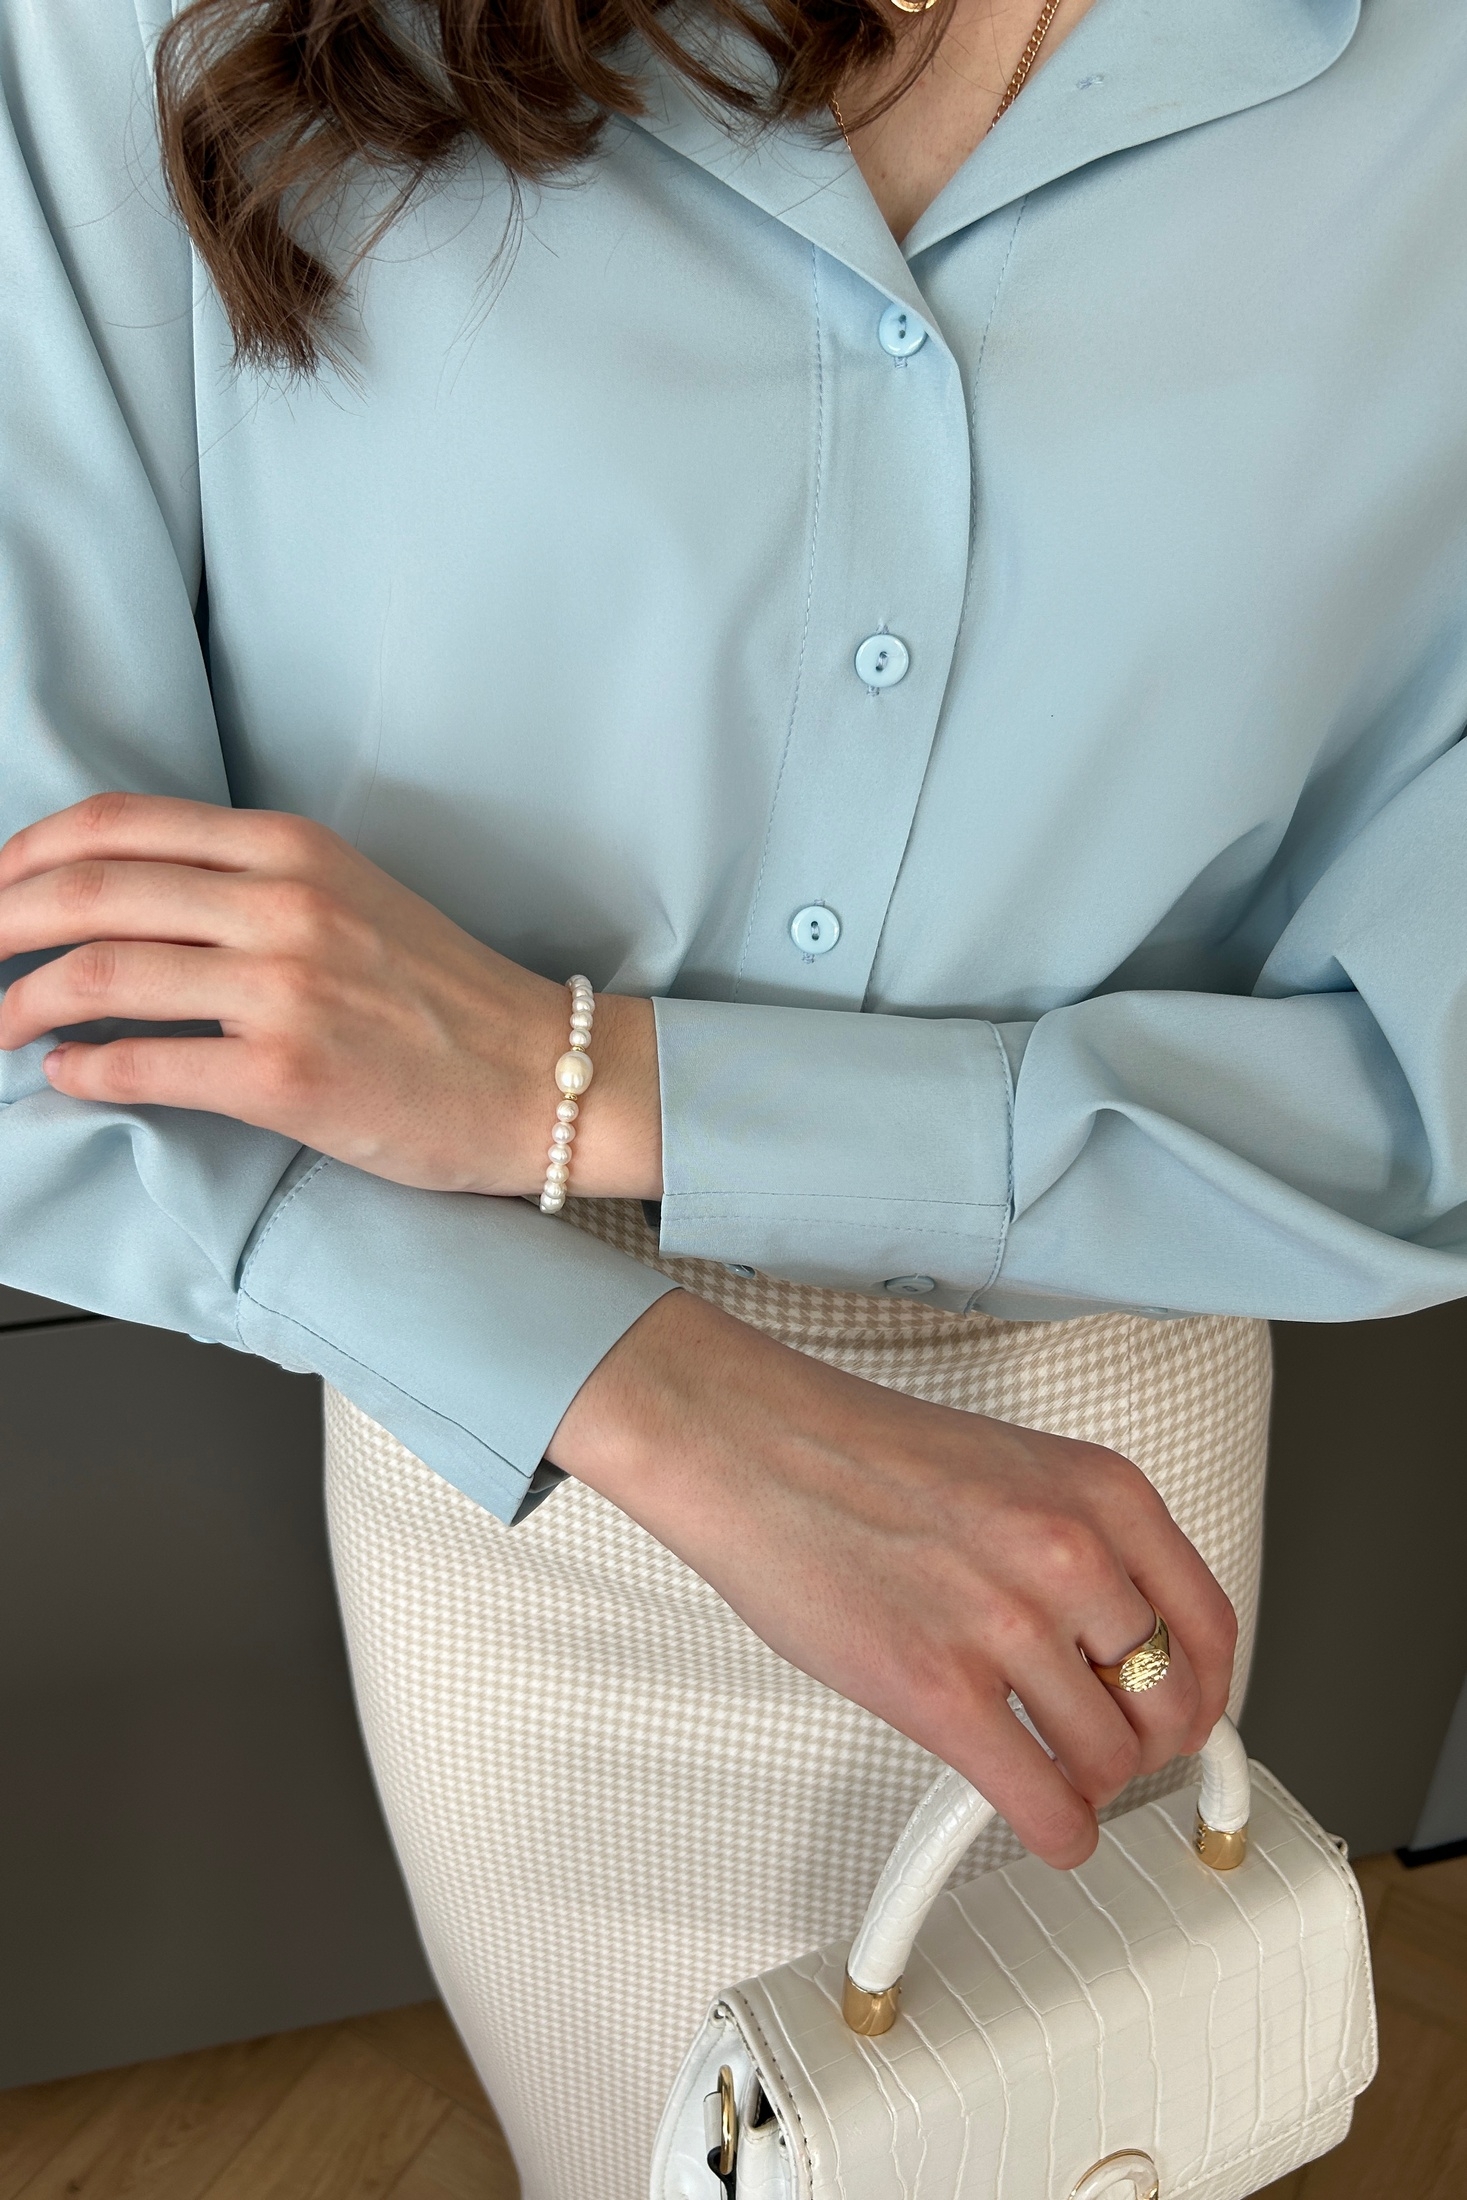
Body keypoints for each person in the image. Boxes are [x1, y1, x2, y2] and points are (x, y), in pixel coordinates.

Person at [2, 0, 1463, 2191]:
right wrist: (678, 1400)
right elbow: (55, 956)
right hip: (522, 1457)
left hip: (1109, 1439)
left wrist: (574, 1076)